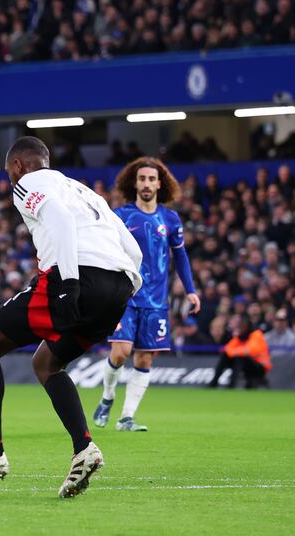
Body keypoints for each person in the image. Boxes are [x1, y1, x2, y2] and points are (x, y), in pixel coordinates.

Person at [0, 137, 142, 498]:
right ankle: (84, 448)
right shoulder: (81, 189)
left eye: (8, 173)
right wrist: (121, 297)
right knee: (47, 363)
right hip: (118, 286)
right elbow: (133, 248)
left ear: (18, 165)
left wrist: (69, 284)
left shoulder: (30, 182)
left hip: (76, 274)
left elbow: (60, 221)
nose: (9, 181)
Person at [93, 158, 200, 432]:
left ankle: (126, 417)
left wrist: (190, 291)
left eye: (152, 179)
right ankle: (107, 396)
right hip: (126, 296)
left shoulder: (170, 219)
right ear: (134, 183)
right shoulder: (121, 216)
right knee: (121, 351)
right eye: (142, 179)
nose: (147, 184)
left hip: (156, 302)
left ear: (160, 184)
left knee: (143, 358)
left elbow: (181, 256)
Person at [209, 315, 271, 388]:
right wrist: (233, 352)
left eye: (242, 326)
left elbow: (250, 350)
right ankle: (213, 383)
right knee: (225, 356)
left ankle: (232, 385)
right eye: (240, 326)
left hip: (260, 367)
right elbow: (226, 349)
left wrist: (234, 352)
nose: (240, 329)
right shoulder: (240, 337)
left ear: (248, 327)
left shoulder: (256, 334)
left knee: (239, 358)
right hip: (246, 364)